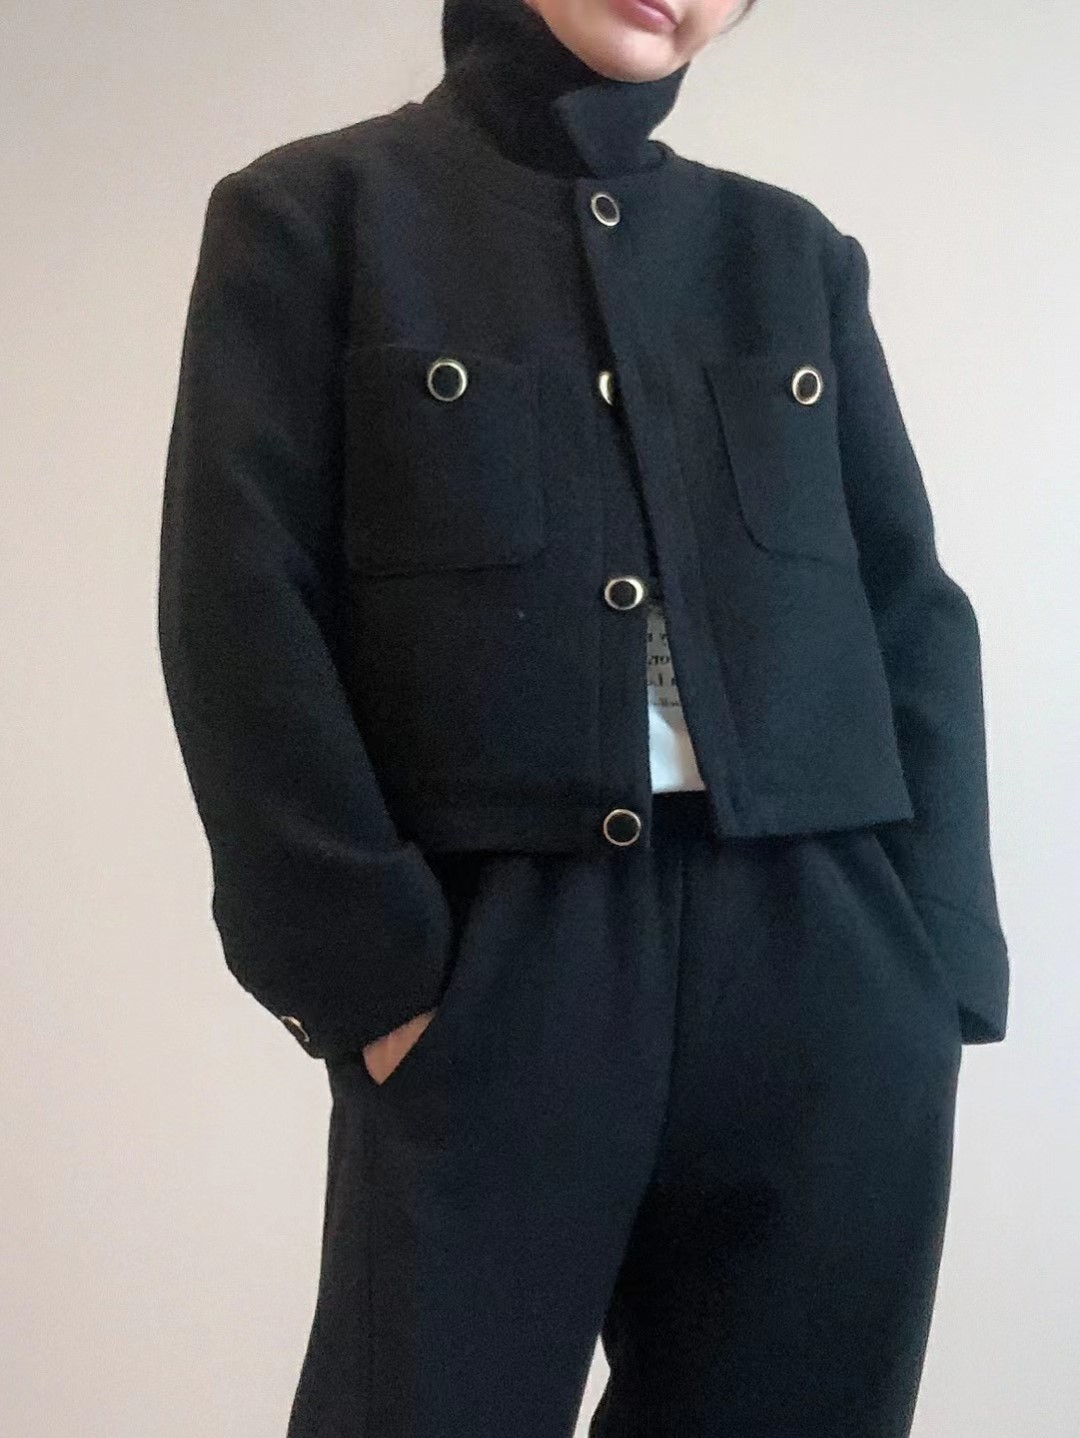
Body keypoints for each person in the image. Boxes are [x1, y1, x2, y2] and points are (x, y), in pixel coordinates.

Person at [157, 0, 1010, 1433]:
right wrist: (369, 975)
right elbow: (237, 609)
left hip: (824, 960)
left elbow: (908, 604)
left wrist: (936, 965)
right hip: (501, 959)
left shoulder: (791, 253)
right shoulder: (316, 219)